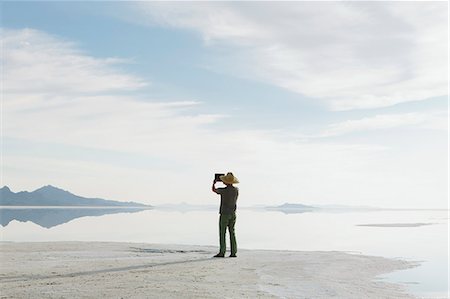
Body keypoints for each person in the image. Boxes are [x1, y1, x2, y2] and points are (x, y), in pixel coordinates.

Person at [212, 172, 239, 258]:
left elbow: (214, 190)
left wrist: (214, 183)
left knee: (222, 233)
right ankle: (233, 252)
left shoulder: (223, 190)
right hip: (233, 214)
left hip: (224, 214)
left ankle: (222, 252)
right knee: (232, 232)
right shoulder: (236, 190)